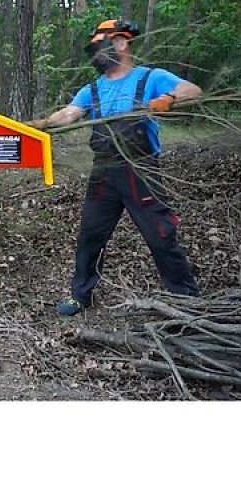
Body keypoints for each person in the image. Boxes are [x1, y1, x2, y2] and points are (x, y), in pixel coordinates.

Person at [36, 18, 202, 316]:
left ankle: (187, 299)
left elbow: (193, 89)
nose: (95, 56)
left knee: (160, 235)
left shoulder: (149, 78)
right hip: (104, 174)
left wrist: (168, 98)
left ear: (121, 43)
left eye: (99, 48)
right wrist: (44, 124)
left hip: (141, 172)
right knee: (90, 235)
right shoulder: (93, 89)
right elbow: (71, 113)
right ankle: (81, 295)